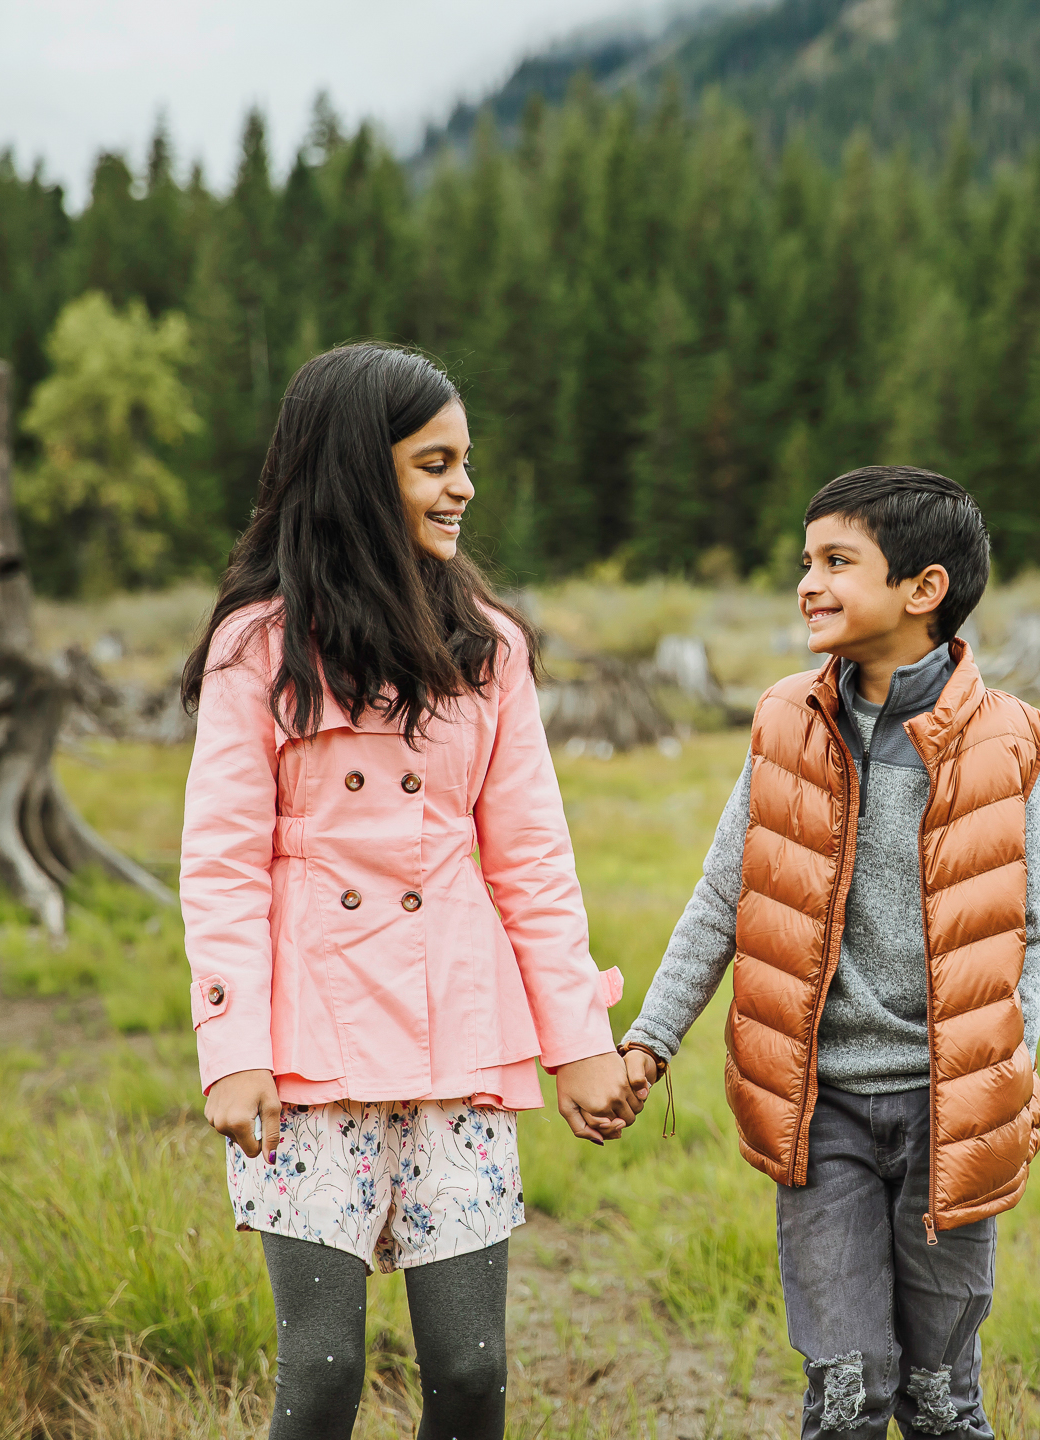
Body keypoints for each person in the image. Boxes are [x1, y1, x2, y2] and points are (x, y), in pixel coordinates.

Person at [178, 343, 638, 1440]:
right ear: (356, 472)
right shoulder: (258, 649)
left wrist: (577, 1041)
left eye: (465, 461)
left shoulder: (489, 651)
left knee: (473, 1377)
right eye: (435, 463)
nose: (464, 487)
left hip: (458, 1050)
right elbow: (223, 862)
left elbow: (531, 857)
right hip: (308, 1054)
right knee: (325, 1372)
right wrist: (232, 1047)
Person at [619, 466, 1040, 1439]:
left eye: (835, 562)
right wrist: (649, 1041)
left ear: (923, 588)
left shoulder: (1007, 744)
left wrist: (996, 1074)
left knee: (941, 1407)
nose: (807, 583)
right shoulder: (788, 724)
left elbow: (1031, 934)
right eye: (804, 562)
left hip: (951, 1116)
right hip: (821, 1118)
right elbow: (725, 896)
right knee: (849, 1397)